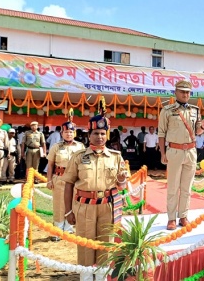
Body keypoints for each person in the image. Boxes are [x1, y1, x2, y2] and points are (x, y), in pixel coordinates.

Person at [61, 100, 128, 281]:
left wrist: (122, 181)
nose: (99, 137)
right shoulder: (79, 157)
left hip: (107, 207)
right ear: (89, 135)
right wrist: (68, 211)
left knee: (105, 244)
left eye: (102, 133)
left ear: (106, 135)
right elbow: (68, 184)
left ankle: (101, 278)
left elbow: (121, 186)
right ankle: (86, 278)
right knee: (85, 245)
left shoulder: (116, 157)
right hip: (84, 207)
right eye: (95, 133)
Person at [158, 80, 204, 230]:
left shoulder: (195, 110)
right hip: (174, 151)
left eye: (187, 92)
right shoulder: (167, 110)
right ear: (175, 92)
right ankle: (171, 218)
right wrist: (162, 153)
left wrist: (203, 127)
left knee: (187, 187)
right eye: (182, 91)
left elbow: (197, 131)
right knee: (173, 187)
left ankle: (183, 216)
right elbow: (161, 133)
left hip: (191, 152)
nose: (185, 94)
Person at [46, 111, 85, 241]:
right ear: (62, 133)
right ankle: (57, 231)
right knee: (59, 204)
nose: (69, 134)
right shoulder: (56, 147)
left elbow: (84, 165)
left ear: (74, 133)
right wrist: (49, 180)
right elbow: (50, 164)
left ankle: (68, 229)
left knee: (73, 204)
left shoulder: (80, 146)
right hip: (59, 178)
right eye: (66, 132)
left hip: (74, 180)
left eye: (71, 132)